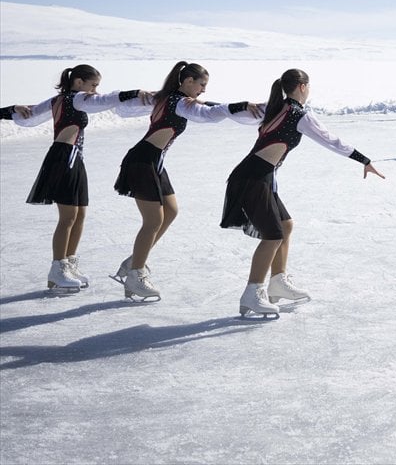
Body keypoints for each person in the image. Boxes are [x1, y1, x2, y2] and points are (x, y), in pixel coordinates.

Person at [220, 68, 383, 319]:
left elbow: (241, 113)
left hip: (257, 176)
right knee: (273, 235)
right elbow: (330, 139)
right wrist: (363, 160)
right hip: (252, 179)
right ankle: (252, 293)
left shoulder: (274, 106)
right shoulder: (297, 114)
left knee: (285, 225)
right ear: (303, 87)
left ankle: (278, 282)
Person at [112, 61, 260, 301]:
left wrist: (241, 107)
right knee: (153, 221)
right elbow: (209, 115)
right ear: (188, 81)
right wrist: (241, 105)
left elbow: (207, 106)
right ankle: (135, 274)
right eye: (201, 84)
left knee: (170, 211)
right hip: (142, 161)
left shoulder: (171, 98)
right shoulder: (178, 101)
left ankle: (134, 261)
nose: (203, 90)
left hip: (154, 162)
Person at [13, 65, 151, 291]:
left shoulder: (58, 100)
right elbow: (105, 100)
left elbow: (29, 112)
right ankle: (57, 270)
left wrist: (13, 109)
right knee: (68, 217)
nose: (95, 91)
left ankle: (68, 265)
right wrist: (134, 93)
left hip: (74, 158)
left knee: (79, 215)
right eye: (93, 85)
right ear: (78, 82)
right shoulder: (77, 98)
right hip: (64, 157)